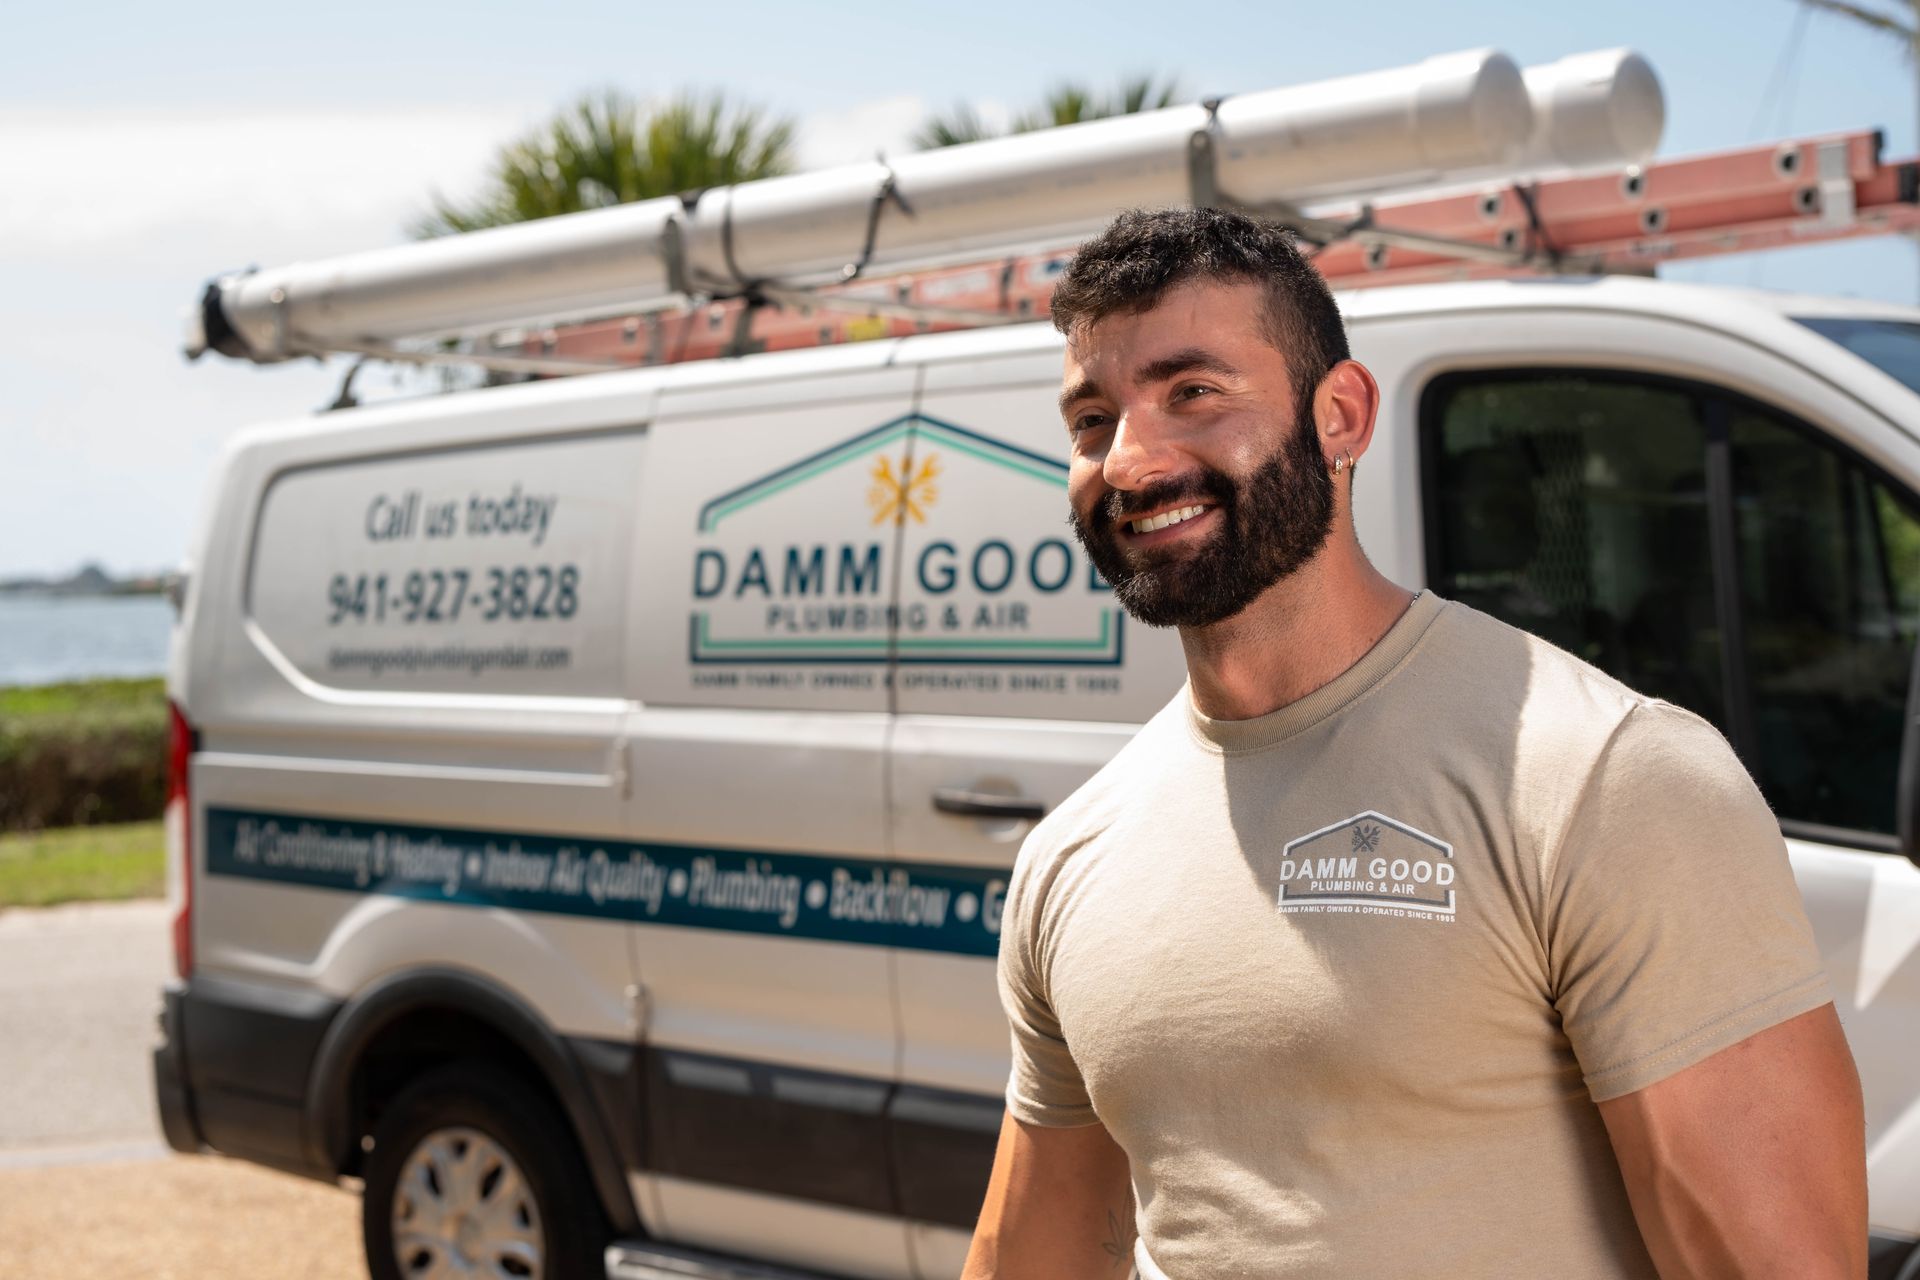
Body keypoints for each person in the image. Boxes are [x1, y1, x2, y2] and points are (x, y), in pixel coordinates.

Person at [960, 206, 1866, 1279]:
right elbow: (1039, 1253)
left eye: (1192, 392)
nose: (1130, 459)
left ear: (1340, 416)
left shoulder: (1606, 776)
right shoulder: (1073, 854)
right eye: (1091, 420)